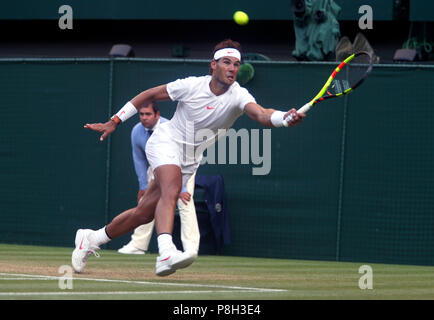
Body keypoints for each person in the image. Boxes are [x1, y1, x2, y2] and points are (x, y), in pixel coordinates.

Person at [72, 39, 305, 277]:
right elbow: (148, 94)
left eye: (236, 64)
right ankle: (166, 252)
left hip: (189, 159)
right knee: (170, 191)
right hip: (165, 142)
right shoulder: (191, 86)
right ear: (213, 65)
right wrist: (115, 120)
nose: (232, 68)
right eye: (226, 62)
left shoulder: (239, 95)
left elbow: (261, 113)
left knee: (143, 214)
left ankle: (91, 238)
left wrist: (282, 118)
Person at [117, 103, 200, 257]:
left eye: (148, 114)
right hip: (156, 167)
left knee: (184, 203)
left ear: (157, 115)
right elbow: (139, 159)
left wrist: (180, 188)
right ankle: (138, 245)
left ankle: (191, 248)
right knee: (145, 203)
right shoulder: (136, 131)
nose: (144, 118)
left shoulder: (169, 128)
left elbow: (182, 156)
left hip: (182, 166)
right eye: (141, 114)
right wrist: (143, 185)